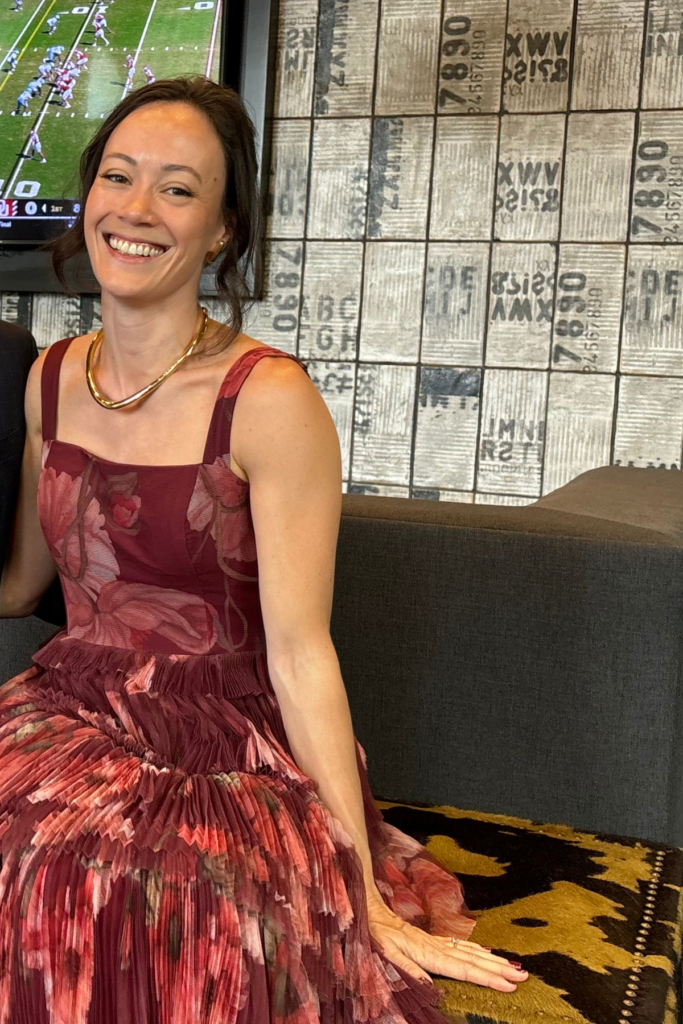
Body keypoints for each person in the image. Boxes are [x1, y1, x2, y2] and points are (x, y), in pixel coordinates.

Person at [0, 75, 529, 1020]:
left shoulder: (270, 397)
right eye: (118, 177)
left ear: (223, 230)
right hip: (71, 710)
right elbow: (25, 586)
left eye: (178, 188)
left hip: (226, 737)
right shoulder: (48, 378)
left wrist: (357, 886)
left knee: (136, 878)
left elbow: (300, 651)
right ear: (87, 200)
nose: (136, 209)